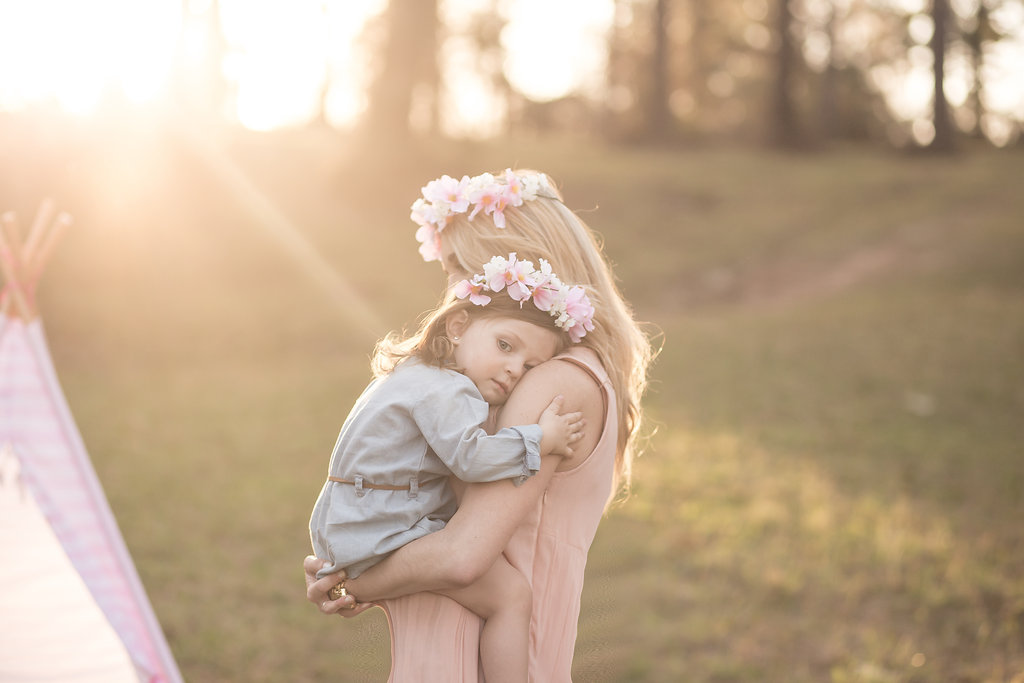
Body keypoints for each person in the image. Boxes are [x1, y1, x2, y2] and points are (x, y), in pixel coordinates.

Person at [305, 168, 654, 681]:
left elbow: (462, 557)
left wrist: (355, 580)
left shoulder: (552, 381)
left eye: (458, 270)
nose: (450, 290)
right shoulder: (517, 376)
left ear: (517, 273)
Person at [308, 252, 593, 683]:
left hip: (350, 520)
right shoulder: (452, 390)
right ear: (457, 326)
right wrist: (541, 439)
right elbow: (472, 457)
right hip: (379, 527)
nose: (515, 369)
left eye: (530, 367)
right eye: (505, 346)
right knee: (511, 597)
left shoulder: (413, 373)